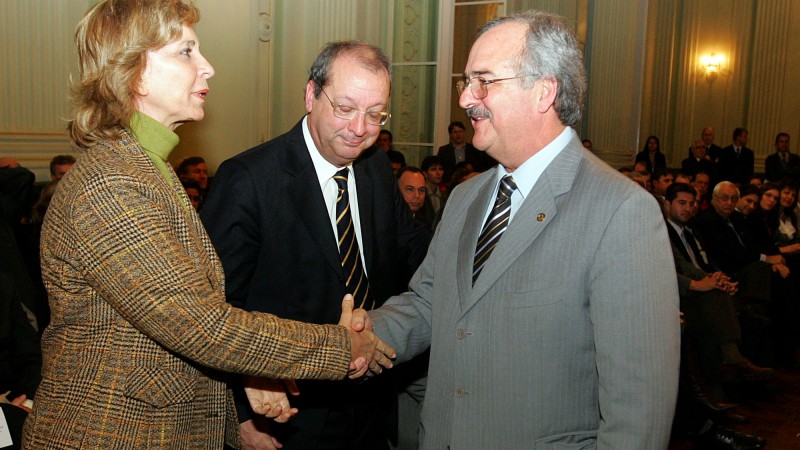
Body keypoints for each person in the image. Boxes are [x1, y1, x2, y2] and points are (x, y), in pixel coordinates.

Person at [21, 3, 393, 448]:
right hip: (114, 434)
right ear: (132, 69)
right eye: (186, 52)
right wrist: (340, 347)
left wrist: (252, 373)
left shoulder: (145, 167)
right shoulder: (111, 182)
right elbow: (203, 327)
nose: (207, 67)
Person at [352, 10, 680, 448]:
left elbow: (638, 411)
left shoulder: (621, 211)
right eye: (466, 82)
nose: (467, 98)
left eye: (484, 81)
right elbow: (432, 301)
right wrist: (352, 337)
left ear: (543, 91)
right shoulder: (466, 197)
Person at [201, 41, 431, 449]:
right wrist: (238, 415)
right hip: (288, 415)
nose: (360, 129)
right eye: (345, 108)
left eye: (375, 115)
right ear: (311, 95)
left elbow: (414, 257)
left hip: (372, 402)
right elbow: (213, 311)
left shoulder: (377, 168)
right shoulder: (249, 180)